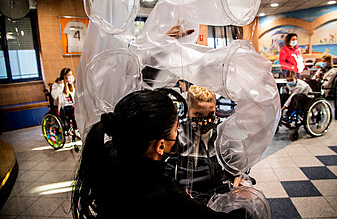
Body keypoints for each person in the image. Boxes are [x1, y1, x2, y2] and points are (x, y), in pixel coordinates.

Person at [72, 89, 245, 219]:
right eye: (176, 128)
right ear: (161, 145)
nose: (179, 133)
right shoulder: (164, 195)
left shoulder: (109, 163)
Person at [165, 85, 252, 205]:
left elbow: (237, 165)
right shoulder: (178, 136)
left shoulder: (222, 136)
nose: (205, 120)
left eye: (210, 114)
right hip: (187, 197)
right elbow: (167, 170)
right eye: (198, 115)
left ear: (216, 109)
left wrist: (239, 178)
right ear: (187, 111)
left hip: (218, 196)